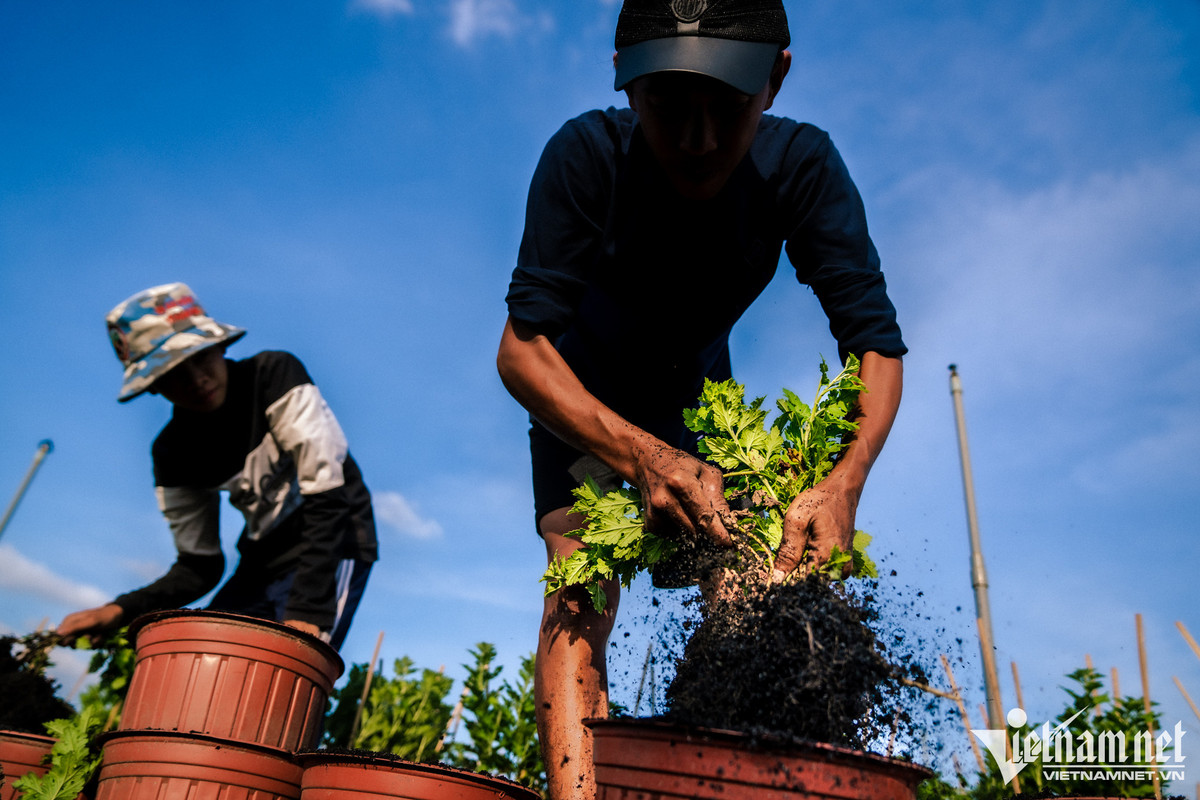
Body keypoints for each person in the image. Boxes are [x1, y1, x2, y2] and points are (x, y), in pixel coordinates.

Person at [495, 1, 907, 796]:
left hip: (700, 404)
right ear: (626, 81)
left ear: (776, 80)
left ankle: (725, 781)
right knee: (581, 575)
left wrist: (843, 481)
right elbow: (522, 352)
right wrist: (641, 456)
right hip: (581, 400)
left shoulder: (801, 168)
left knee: (752, 569)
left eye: (727, 108)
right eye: (668, 106)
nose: (698, 140)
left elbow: (875, 345)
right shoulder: (586, 158)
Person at [57, 282, 378, 650]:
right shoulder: (172, 452)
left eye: (200, 358)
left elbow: (329, 495)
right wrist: (119, 610)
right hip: (263, 560)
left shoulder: (273, 376)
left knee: (285, 668)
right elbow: (199, 566)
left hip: (335, 540)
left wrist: (307, 611)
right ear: (154, 387)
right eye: (173, 374)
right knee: (201, 655)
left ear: (220, 345)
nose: (196, 380)